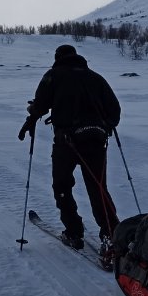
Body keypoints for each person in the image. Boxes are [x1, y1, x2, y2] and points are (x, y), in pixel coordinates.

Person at [18, 44, 121, 265]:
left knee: (62, 185)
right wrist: (106, 127)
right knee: (97, 186)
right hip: (96, 139)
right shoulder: (96, 78)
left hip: (67, 141)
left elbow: (41, 106)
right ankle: (112, 236)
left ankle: (74, 232)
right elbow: (115, 110)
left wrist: (31, 116)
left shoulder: (53, 75)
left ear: (58, 58)